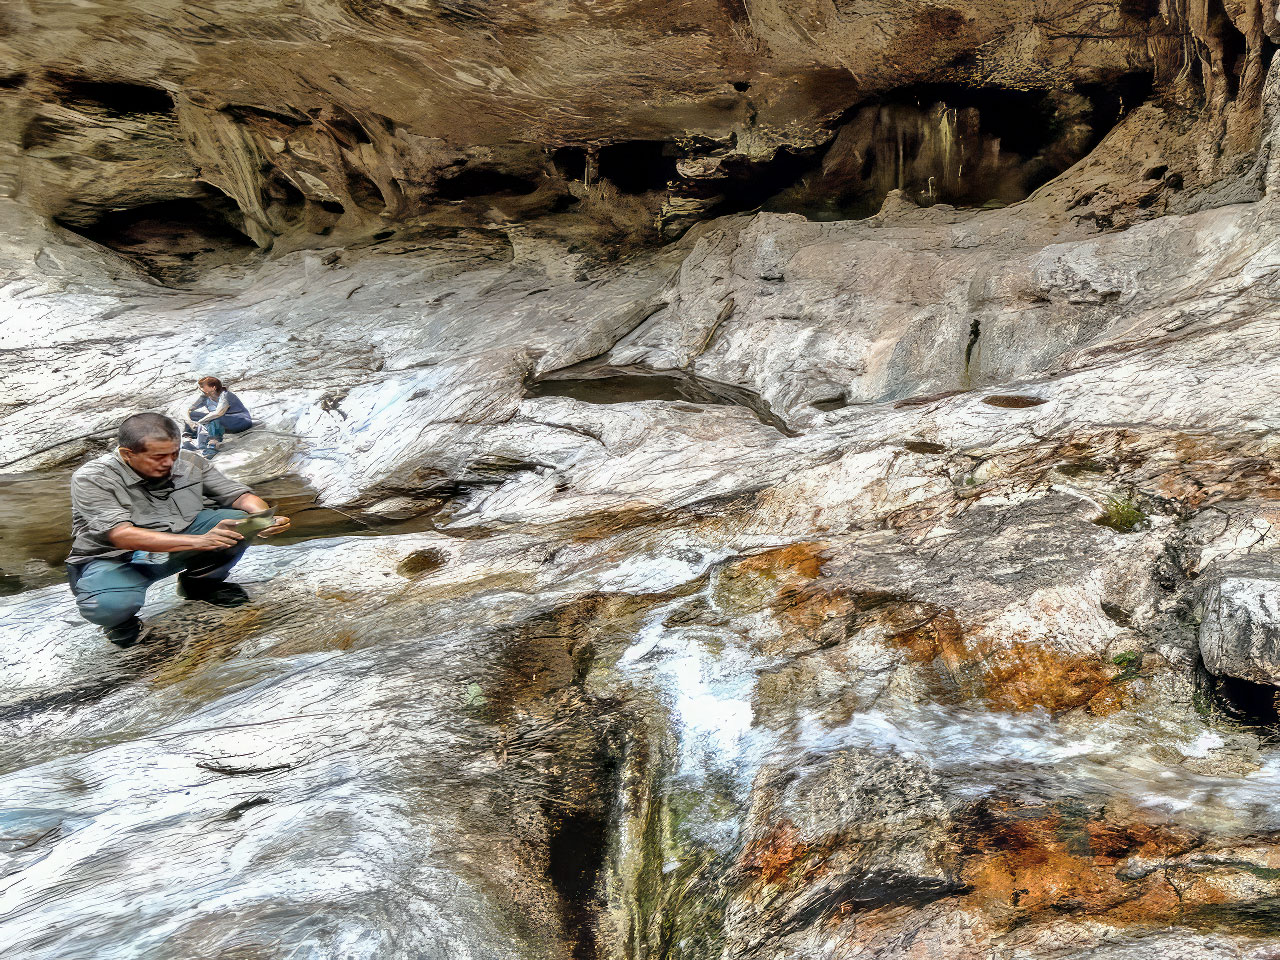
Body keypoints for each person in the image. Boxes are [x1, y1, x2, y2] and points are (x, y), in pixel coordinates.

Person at [67, 412, 290, 647]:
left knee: (240, 521)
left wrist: (261, 518)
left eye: (174, 453)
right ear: (127, 454)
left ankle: (201, 585)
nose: (170, 462)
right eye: (159, 457)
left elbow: (237, 495)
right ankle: (120, 624)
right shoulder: (92, 478)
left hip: (176, 546)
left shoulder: (190, 461)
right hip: (118, 560)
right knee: (109, 605)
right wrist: (200, 542)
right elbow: (121, 536)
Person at [183, 376, 252, 458]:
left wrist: (199, 422)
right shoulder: (204, 397)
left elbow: (218, 413)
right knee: (193, 415)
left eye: (203, 386)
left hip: (240, 421)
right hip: (224, 421)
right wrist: (189, 422)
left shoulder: (225, 395)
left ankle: (213, 445)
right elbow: (188, 410)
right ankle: (188, 438)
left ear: (213, 387)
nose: (201, 388)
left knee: (214, 418)